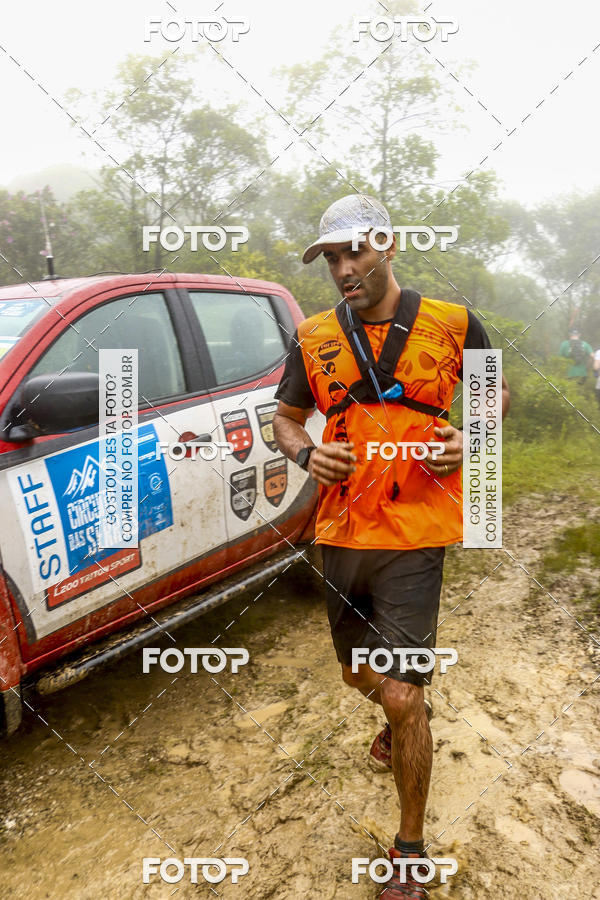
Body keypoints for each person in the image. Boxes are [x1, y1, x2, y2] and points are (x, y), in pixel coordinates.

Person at [273, 194, 510, 898]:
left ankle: (410, 852)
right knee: (359, 675)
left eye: (356, 252)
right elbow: (286, 419)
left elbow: (493, 396)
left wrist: (472, 438)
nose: (344, 269)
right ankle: (406, 715)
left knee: (402, 692)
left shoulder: (454, 323)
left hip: (417, 530)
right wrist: (306, 453)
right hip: (343, 531)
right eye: (332, 259)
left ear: (389, 244)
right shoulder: (313, 336)